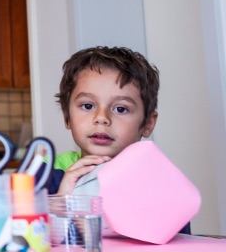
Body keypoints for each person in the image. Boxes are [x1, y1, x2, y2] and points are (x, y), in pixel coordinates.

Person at [48, 46, 159, 195]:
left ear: (147, 123)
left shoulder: (158, 183)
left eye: (120, 109)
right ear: (67, 117)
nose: (101, 118)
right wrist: (61, 201)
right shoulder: (46, 172)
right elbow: (19, 216)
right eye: (88, 106)